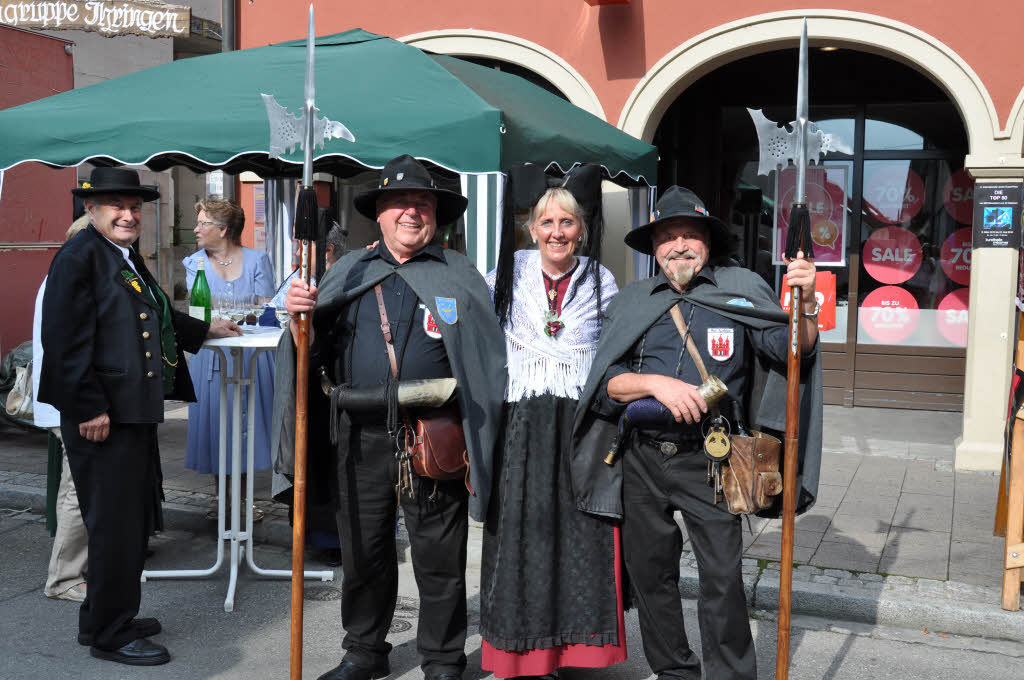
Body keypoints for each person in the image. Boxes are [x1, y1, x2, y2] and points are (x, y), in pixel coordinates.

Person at [572, 186, 824, 680]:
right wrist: (653, 383)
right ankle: (674, 671)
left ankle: (729, 675)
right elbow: (605, 384)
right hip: (640, 457)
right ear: (654, 247)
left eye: (690, 235)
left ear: (707, 242)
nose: (679, 245)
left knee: (723, 578)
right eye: (668, 236)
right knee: (650, 575)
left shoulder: (742, 286)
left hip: (713, 459)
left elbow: (793, 351)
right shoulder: (633, 300)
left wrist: (808, 302)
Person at [272, 154, 506, 680]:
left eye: (421, 203)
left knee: (438, 556)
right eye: (399, 203)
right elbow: (313, 358)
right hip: (359, 435)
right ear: (378, 213)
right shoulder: (347, 271)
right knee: (364, 550)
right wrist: (298, 322)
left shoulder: (458, 275)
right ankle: (363, 651)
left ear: (436, 216)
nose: (410, 212)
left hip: (433, 435)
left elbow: (486, 362)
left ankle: (443, 658)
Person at [38, 167, 241, 667]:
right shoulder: (80, 256)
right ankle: (112, 632)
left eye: (134, 207)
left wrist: (205, 329)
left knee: (125, 522)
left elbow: (155, 313)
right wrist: (88, 407)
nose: (128, 215)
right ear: (91, 209)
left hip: (131, 409)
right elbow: (63, 339)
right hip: (102, 414)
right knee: (116, 527)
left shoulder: (120, 254)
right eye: (116, 207)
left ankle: (101, 618)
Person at [480, 164, 624, 677]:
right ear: (531, 228)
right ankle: (519, 653)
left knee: (578, 536)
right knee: (521, 535)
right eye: (547, 222)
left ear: (582, 229)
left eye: (567, 222)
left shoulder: (601, 280)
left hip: (579, 426)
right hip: (521, 423)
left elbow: (613, 350)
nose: (557, 232)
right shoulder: (504, 274)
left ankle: (571, 650)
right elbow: (479, 340)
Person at [182, 197, 276, 521]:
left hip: (251, 357)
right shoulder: (194, 263)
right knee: (215, 425)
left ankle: (245, 499)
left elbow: (269, 310)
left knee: (246, 428)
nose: (196, 229)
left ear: (222, 229)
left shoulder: (257, 259)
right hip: (211, 357)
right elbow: (196, 314)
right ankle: (221, 498)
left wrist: (245, 315)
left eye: (203, 223)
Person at [36, 214, 90, 603]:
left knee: (77, 487)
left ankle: (70, 570)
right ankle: (64, 577)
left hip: (65, 403)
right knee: (78, 489)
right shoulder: (68, 277)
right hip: (69, 404)